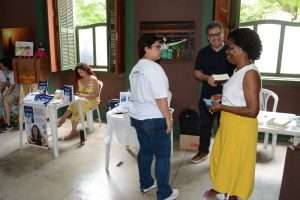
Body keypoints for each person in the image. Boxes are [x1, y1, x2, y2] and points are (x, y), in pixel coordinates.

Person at [203, 28, 262, 200]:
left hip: (241, 127)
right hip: (231, 124)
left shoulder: (250, 74)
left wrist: (221, 107)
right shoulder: (238, 71)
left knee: (238, 163)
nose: (226, 52)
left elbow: (252, 111)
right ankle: (225, 188)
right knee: (226, 160)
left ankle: (235, 195)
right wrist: (222, 98)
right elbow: (239, 96)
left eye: (230, 48)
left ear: (243, 50)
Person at [129, 34, 179, 200]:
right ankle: (164, 193)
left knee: (145, 152)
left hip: (138, 118)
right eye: (157, 47)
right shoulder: (154, 68)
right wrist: (168, 119)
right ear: (146, 49)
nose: (161, 50)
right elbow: (160, 97)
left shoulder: (135, 69)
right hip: (154, 118)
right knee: (163, 156)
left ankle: (146, 183)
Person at [192, 21, 235, 163]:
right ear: (207, 37)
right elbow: (197, 72)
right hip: (207, 97)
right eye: (211, 35)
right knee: (205, 125)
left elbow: (239, 71)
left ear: (223, 34)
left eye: (217, 34)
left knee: (226, 127)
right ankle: (203, 152)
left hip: (228, 99)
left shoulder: (232, 51)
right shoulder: (203, 53)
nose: (215, 37)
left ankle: (224, 154)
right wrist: (206, 78)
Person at [58, 63, 100, 140]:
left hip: (92, 100)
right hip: (82, 100)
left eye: (82, 72)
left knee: (77, 105)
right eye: (79, 72)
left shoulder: (93, 79)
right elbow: (79, 92)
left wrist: (82, 95)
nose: (80, 74)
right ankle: (70, 127)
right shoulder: (79, 80)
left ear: (87, 70)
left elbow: (96, 94)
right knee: (76, 103)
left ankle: (63, 119)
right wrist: (78, 94)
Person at [0, 57, 20, 132]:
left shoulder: (12, 73)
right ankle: (7, 123)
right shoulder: (6, 73)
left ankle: (8, 124)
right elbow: (5, 84)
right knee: (4, 99)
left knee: (5, 100)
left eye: (2, 66)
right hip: (11, 92)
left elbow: (12, 87)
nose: (1, 67)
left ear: (6, 65)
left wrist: (4, 95)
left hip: (16, 93)